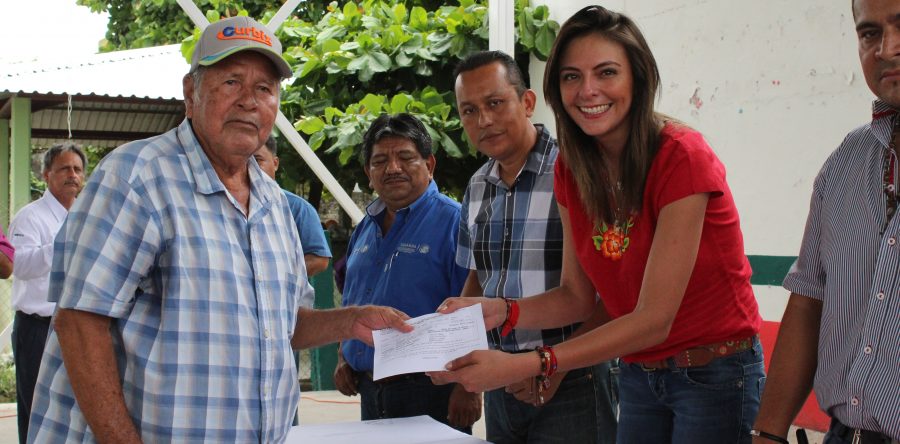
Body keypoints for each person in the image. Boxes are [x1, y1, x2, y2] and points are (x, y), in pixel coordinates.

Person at [26, 16, 411, 443]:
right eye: (231, 82)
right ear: (191, 93)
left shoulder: (272, 202)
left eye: (265, 88)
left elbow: (284, 326)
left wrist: (350, 320)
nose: (250, 100)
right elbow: (79, 321)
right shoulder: (137, 177)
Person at [432, 6, 764, 443]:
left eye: (606, 72)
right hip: (639, 371)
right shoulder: (573, 169)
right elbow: (575, 296)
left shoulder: (680, 156)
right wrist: (501, 310)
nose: (588, 91)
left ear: (637, 78)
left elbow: (654, 318)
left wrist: (537, 363)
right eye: (571, 77)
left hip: (712, 370)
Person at [751, 1, 900, 443]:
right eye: (870, 33)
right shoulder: (846, 163)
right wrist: (769, 432)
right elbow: (808, 303)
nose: (888, 48)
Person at [453, 50, 617, 443]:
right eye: (469, 111)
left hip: (574, 379)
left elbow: (615, 295)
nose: (484, 121)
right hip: (501, 379)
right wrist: (458, 354)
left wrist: (552, 368)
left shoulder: (579, 172)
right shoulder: (476, 186)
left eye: (495, 103)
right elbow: (478, 279)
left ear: (527, 102)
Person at [333, 113, 480, 432]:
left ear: (429, 165)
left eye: (405, 157)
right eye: (380, 160)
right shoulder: (365, 228)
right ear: (368, 172)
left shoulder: (455, 223)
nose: (393, 168)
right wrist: (345, 354)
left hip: (431, 391)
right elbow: (355, 296)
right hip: (370, 390)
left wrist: (468, 388)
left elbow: (471, 309)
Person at [8, 142, 85, 444]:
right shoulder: (31, 217)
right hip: (38, 328)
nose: (72, 175)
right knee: (37, 410)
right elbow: (20, 265)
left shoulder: (83, 215)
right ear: (46, 174)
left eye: (78, 169)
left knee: (70, 410)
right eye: (64, 168)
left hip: (75, 326)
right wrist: (64, 246)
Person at [253, 135, 332, 276]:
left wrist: (276, 276)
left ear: (275, 163)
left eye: (257, 160)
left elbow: (319, 259)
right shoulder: (227, 204)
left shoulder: (299, 208)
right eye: (244, 161)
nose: (250, 167)